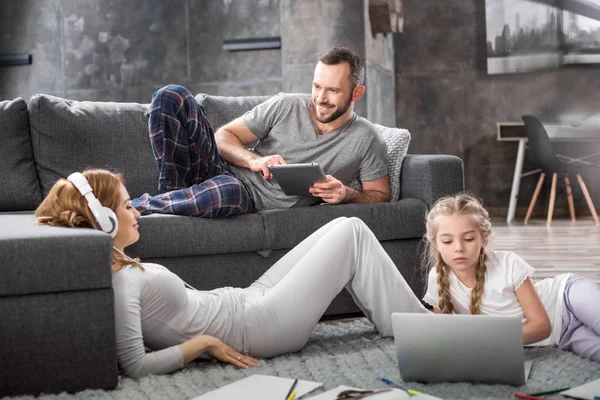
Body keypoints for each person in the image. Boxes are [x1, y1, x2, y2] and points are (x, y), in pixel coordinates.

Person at [36, 169, 428, 378]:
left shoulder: (122, 267)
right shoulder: (122, 283)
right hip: (260, 326)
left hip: (247, 299)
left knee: (339, 227)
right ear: (102, 220)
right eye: (125, 207)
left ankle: (407, 320)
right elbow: (135, 365)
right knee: (352, 231)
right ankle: (420, 328)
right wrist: (202, 344)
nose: (137, 212)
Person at [132, 46, 390, 218]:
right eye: (316, 86)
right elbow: (223, 137)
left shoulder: (367, 139)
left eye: (333, 91)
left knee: (227, 191)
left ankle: (136, 208)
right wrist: (255, 160)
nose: (320, 98)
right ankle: (170, 201)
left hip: (242, 196)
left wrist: (346, 194)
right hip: (216, 168)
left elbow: (380, 195)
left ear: (357, 93)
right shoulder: (285, 105)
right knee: (170, 95)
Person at [422, 193, 600, 362]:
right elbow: (442, 333)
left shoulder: (508, 263)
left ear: (484, 238)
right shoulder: (437, 278)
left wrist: (488, 343)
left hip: (568, 298)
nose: (458, 248)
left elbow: (541, 325)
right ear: (436, 243)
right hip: (563, 336)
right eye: (447, 241)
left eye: (468, 239)